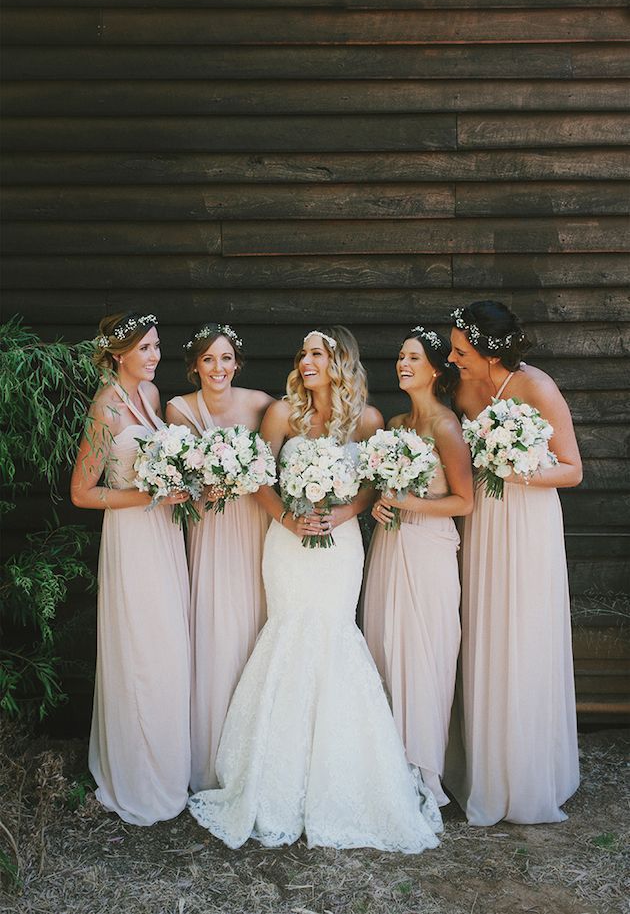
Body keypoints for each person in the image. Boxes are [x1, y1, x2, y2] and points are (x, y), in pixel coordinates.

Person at [188, 327, 442, 852]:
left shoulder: (367, 420)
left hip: (341, 545)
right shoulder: (282, 414)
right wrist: (286, 518)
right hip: (287, 544)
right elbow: (259, 476)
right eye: (303, 353)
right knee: (288, 634)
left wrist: (344, 513)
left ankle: (345, 780)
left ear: (339, 362)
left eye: (317, 354)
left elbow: (371, 483)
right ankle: (272, 782)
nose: (306, 361)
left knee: (334, 637)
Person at [443, 300, 582, 825]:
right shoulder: (461, 390)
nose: (452, 358)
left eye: (461, 351)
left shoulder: (536, 387)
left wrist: (516, 468)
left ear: (489, 352)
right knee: (487, 629)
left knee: (524, 632)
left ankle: (527, 772)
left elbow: (572, 470)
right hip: (482, 521)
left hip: (527, 523)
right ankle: (487, 766)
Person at [70, 312, 191, 825]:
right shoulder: (106, 409)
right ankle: (138, 774)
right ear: (119, 354)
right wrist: (147, 495)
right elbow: (82, 492)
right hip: (132, 537)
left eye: (157, 346)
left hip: (164, 534)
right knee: (141, 647)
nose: (155, 356)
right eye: (145, 348)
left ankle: (168, 765)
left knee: (167, 644)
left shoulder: (152, 394)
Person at [362, 326, 473, 807]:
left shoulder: (446, 427)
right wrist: (382, 504)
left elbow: (464, 501)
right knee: (386, 642)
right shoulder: (395, 424)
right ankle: (388, 767)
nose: (402, 364)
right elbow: (387, 489)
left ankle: (425, 771)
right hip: (390, 545)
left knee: (426, 652)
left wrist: (410, 503)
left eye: (413, 358)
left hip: (429, 550)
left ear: (435, 370)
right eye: (400, 356)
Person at [165, 324, 273, 793]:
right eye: (208, 359)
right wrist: (202, 485)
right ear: (195, 366)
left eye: (226, 358)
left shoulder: (260, 404)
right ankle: (211, 758)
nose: (218, 368)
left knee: (254, 622)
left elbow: (281, 454)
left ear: (237, 363)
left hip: (254, 523)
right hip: (210, 528)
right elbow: (178, 477)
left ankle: (256, 756)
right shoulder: (179, 408)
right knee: (216, 627)